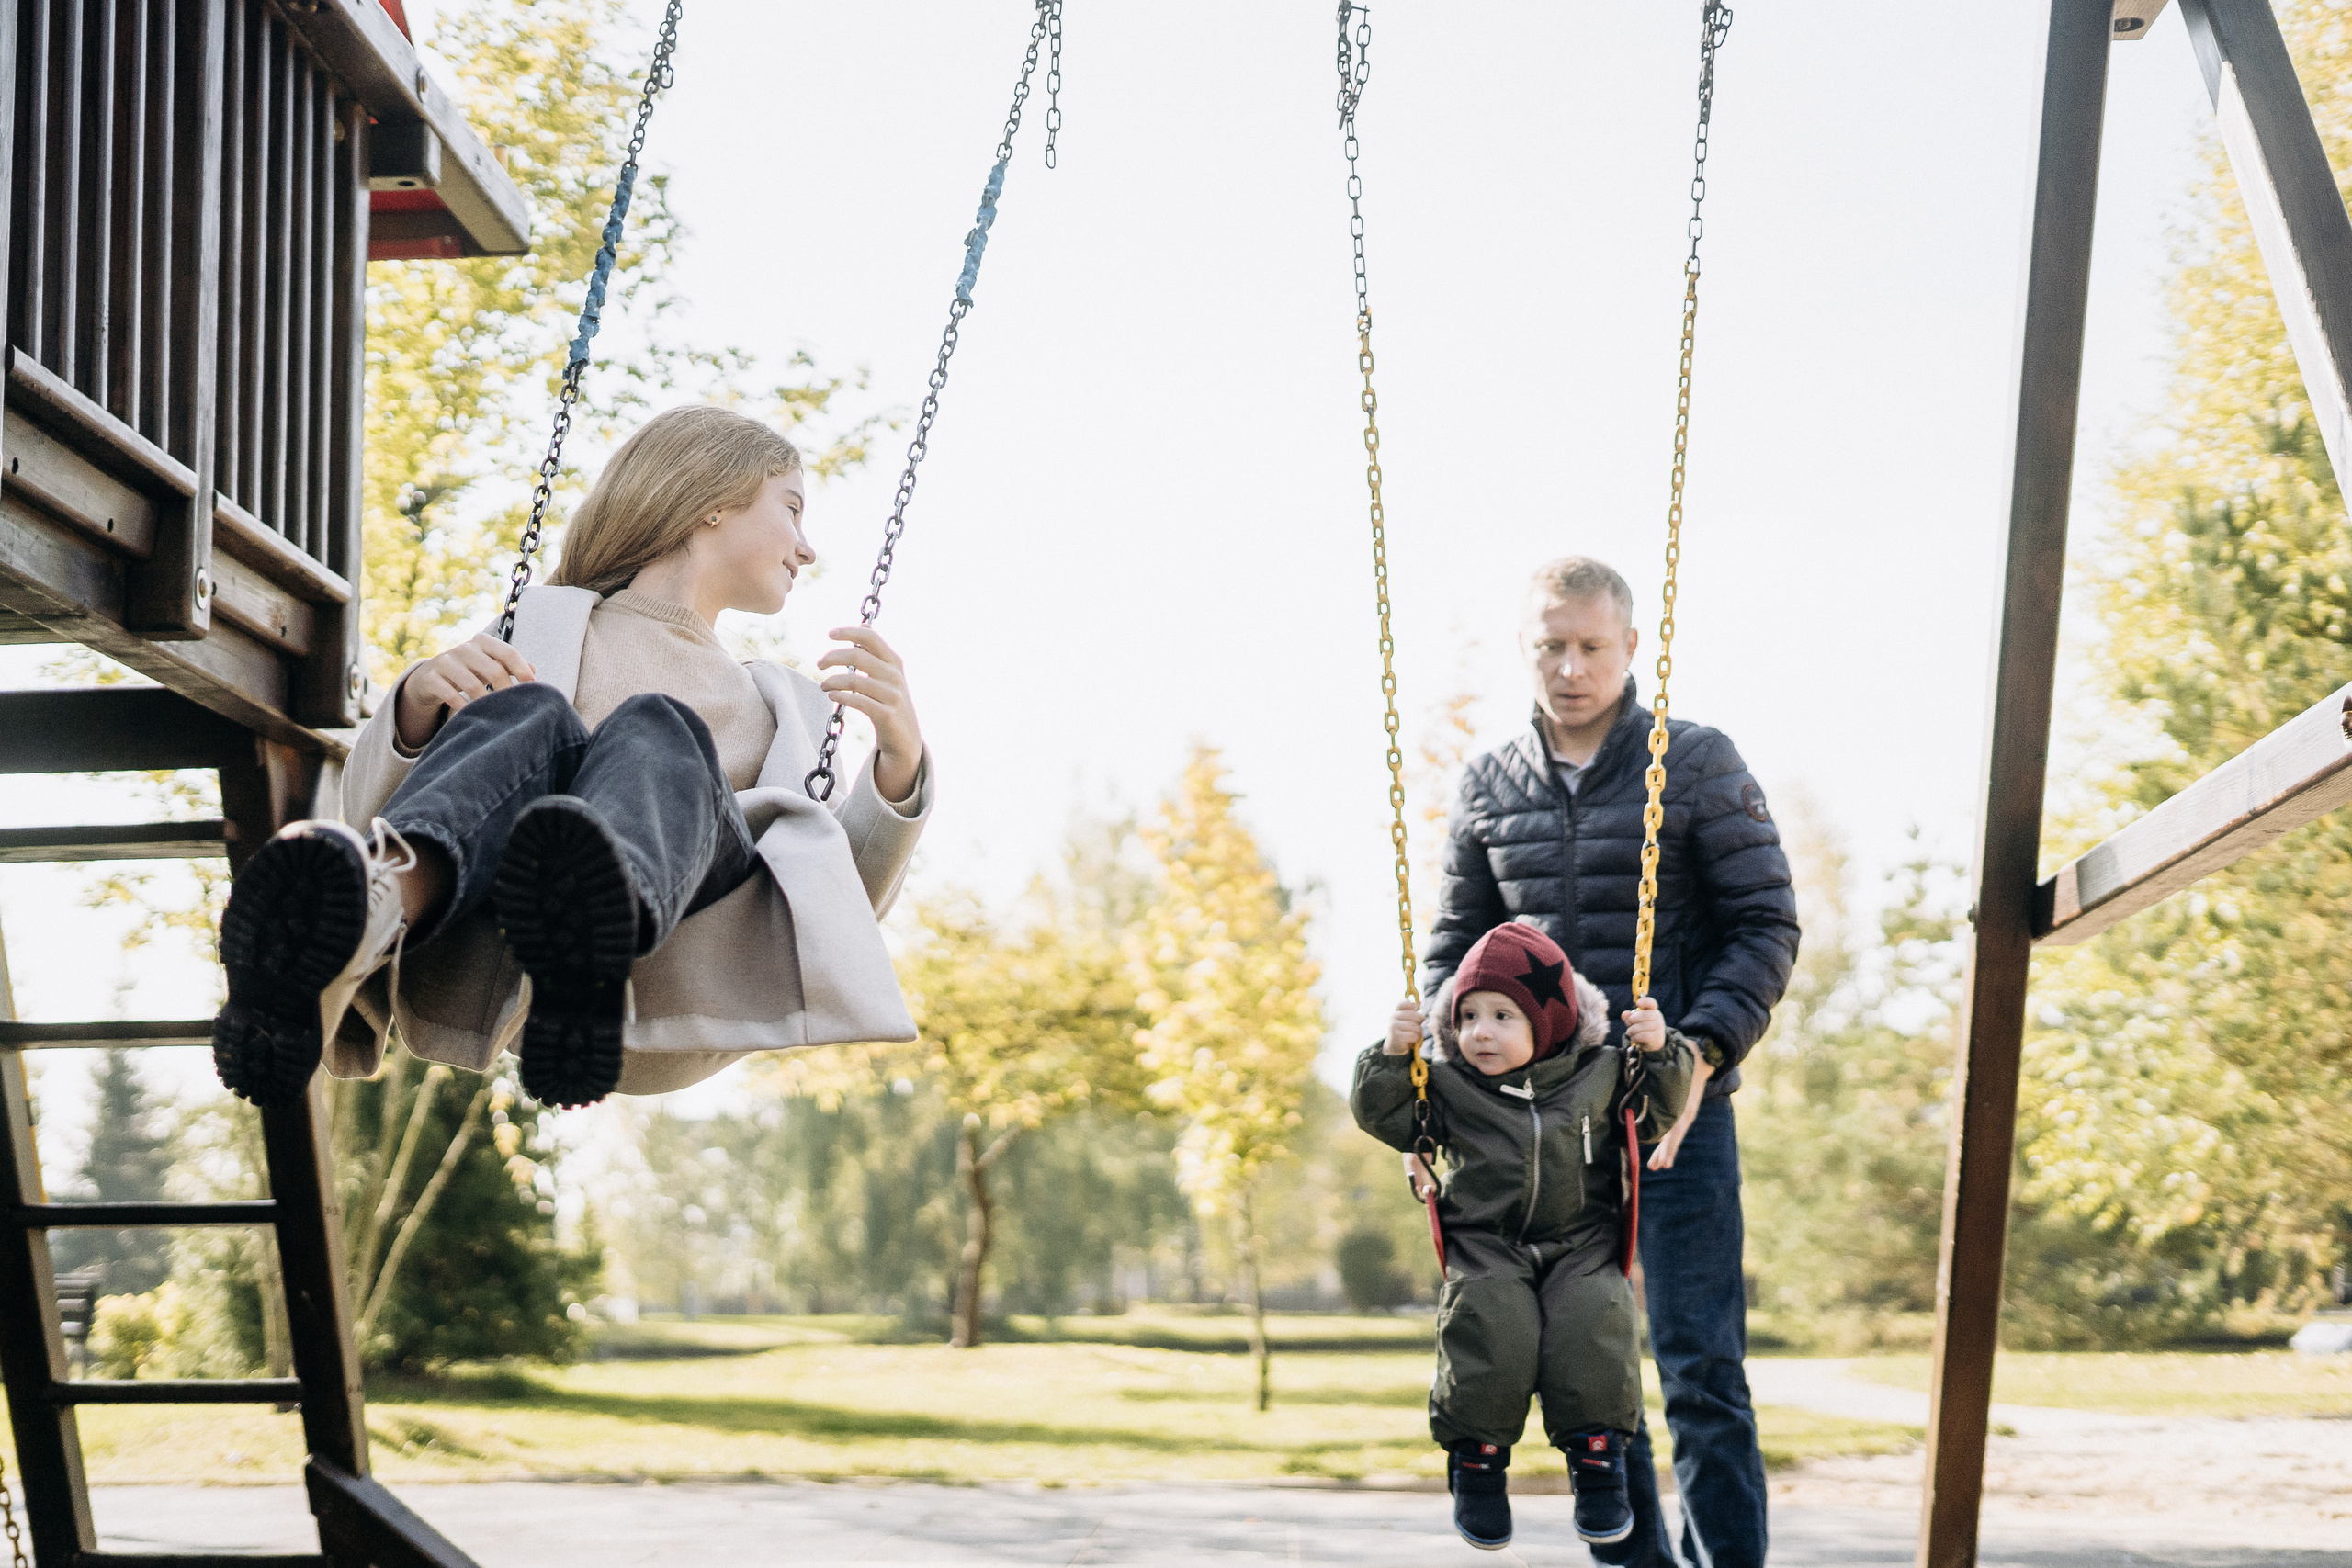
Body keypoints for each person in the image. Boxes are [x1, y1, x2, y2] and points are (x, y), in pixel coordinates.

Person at [210, 405, 933, 1111]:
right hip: (493, 932)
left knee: (656, 730)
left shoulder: (782, 706)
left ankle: (595, 933)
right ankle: (358, 924)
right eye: (793, 508)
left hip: (669, 963)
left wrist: (899, 757)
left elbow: (836, 904)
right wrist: (416, 705)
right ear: (714, 500)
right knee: (528, 713)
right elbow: (375, 803)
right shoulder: (542, 626)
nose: (807, 547)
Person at [1421, 557, 1799, 1568]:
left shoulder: (1698, 762)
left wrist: (1706, 1051)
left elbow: (1765, 924)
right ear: (1525, 649)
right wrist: (1432, 1099)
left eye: (1591, 645)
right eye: (1551, 645)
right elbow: (1455, 954)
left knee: (1699, 1366)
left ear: (1629, 646)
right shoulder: (1490, 785)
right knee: (1586, 1375)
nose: (1571, 666)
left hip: (1674, 1113)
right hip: (1543, 1131)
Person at [1353, 920, 1692, 1551]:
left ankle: (1598, 1465)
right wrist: (1393, 1056)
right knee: (1491, 1326)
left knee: (1591, 1326)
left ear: (1552, 1019)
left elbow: (1654, 1114)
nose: (1479, 1031)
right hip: (1487, 1242)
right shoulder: (1449, 1084)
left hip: (1581, 1242)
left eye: (1503, 1014)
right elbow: (1388, 1115)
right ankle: (1477, 1464)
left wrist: (1660, 1049)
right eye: (1469, 1014)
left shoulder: (1601, 1072)